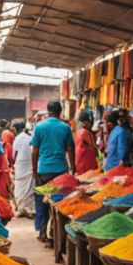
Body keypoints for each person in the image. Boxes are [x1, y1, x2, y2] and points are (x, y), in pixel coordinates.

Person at [30, 100, 76, 242]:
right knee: (60, 203)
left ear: (48, 111)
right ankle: (56, 233)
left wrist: (35, 171)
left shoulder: (40, 126)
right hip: (61, 171)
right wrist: (73, 168)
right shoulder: (66, 128)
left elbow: (34, 152)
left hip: (44, 171)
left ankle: (43, 232)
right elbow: (70, 149)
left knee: (41, 202)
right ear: (60, 112)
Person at [12, 122, 35, 217]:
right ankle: (29, 208)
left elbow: (14, 155)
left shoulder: (17, 139)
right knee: (30, 187)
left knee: (20, 187)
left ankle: (22, 208)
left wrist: (14, 164)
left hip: (20, 166)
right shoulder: (30, 138)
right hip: (30, 164)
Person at [74, 111, 100, 175]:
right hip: (86, 164)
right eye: (90, 123)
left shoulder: (77, 132)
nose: (91, 125)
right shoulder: (84, 132)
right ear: (86, 123)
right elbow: (92, 145)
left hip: (79, 162)